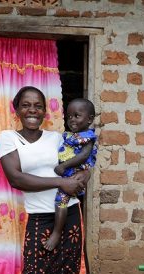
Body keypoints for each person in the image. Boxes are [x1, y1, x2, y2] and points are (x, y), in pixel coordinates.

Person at [0, 86, 95, 274]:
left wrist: (82, 175)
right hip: (40, 217)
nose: (32, 110)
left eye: (38, 105)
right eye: (26, 105)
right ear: (16, 109)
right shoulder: (8, 139)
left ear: (45, 110)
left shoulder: (57, 138)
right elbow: (16, 178)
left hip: (70, 213)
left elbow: (82, 161)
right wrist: (60, 182)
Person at [45, 98, 98, 251]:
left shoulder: (88, 137)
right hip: (67, 173)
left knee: (61, 202)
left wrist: (63, 166)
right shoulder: (69, 135)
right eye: (69, 116)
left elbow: (83, 156)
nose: (72, 120)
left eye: (77, 115)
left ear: (89, 120)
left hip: (73, 174)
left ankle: (56, 232)